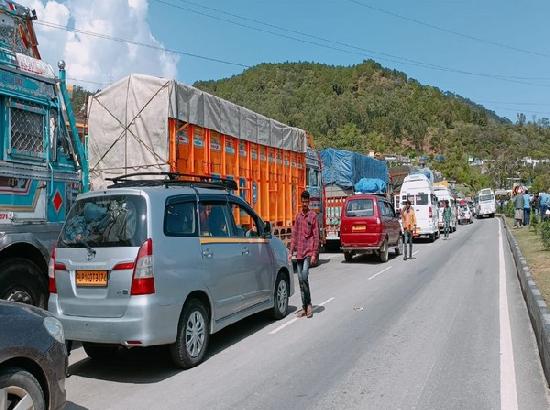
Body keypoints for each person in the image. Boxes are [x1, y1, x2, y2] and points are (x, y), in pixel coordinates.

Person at [289, 190, 319, 319]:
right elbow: (294, 235)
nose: (305, 204)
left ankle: (309, 305)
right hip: (299, 253)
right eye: (303, 201)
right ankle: (304, 307)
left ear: (309, 202)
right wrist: (290, 252)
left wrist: (314, 254)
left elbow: (316, 236)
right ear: (301, 202)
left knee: (304, 276)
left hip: (308, 252)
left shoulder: (313, 216)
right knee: (301, 280)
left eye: (307, 201)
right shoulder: (298, 217)